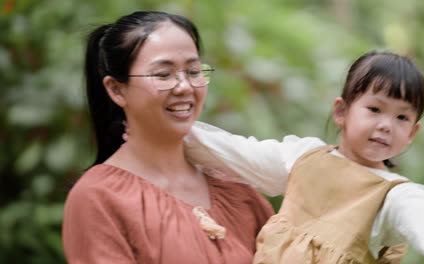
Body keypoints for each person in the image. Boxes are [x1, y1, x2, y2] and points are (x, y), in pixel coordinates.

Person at [184, 51, 424, 263]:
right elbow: (231, 151)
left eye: (402, 117)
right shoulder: (303, 158)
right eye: (375, 109)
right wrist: (164, 128)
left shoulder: (394, 196)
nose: (386, 125)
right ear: (342, 111)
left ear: (412, 133)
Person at [62, 11, 274, 264]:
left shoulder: (236, 187)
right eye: (163, 75)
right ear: (117, 90)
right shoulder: (98, 197)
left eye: (194, 71)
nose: (184, 86)